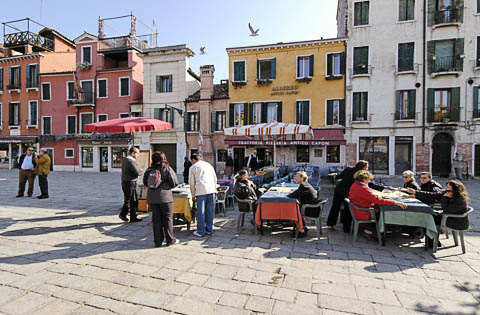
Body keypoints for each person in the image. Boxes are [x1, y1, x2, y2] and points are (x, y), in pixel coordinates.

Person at [326, 160, 395, 231]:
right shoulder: (360, 175)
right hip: (347, 192)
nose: (367, 169)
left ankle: (330, 224)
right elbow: (370, 184)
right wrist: (383, 188)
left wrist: (336, 175)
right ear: (363, 167)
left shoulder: (348, 169)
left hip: (339, 190)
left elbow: (339, 176)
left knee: (335, 207)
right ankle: (346, 229)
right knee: (348, 210)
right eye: (367, 167)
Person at [349, 170, 407, 239]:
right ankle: (376, 231)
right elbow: (379, 201)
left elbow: (371, 198)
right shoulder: (363, 189)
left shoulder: (355, 185)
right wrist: (396, 202)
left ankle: (374, 229)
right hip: (364, 212)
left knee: (380, 207)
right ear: (364, 179)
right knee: (384, 212)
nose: (369, 181)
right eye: (369, 179)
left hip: (357, 210)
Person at [143, 151, 179, 247]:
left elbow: (145, 183)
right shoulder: (166, 169)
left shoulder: (149, 170)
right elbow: (174, 182)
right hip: (165, 197)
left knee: (156, 220)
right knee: (168, 219)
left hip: (152, 198)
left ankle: (157, 241)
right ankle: (170, 240)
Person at [189, 154, 217, 237]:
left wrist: (193, 194)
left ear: (193, 160)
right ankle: (209, 229)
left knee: (201, 212)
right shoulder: (208, 165)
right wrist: (215, 189)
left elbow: (191, 182)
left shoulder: (193, 167)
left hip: (201, 190)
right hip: (211, 190)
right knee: (209, 211)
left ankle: (200, 231)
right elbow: (214, 178)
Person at [288, 171, 319, 237]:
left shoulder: (304, 185)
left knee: (295, 209)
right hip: (313, 207)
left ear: (302, 178)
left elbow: (294, 195)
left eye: (296, 177)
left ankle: (301, 230)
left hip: (312, 209)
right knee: (297, 206)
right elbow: (297, 193)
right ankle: (302, 227)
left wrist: (289, 194)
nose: (295, 178)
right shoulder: (305, 184)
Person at [119, 147, 142, 223]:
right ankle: (123, 214)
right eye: (137, 153)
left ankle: (133, 217)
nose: (138, 155)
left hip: (125, 182)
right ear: (133, 153)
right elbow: (137, 172)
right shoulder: (131, 161)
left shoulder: (125, 160)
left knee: (131, 200)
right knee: (131, 200)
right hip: (131, 183)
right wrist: (140, 171)